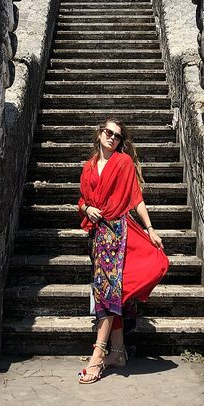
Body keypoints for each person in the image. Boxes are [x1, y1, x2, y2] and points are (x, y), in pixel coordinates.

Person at [77, 118, 169, 384]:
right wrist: (86, 209)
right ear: (99, 135)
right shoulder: (89, 167)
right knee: (109, 292)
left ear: (120, 142)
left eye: (117, 136)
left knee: (107, 294)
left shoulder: (123, 163)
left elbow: (136, 197)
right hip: (97, 237)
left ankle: (98, 354)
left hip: (117, 233)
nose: (112, 138)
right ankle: (117, 353)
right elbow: (82, 200)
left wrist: (150, 228)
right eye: (108, 133)